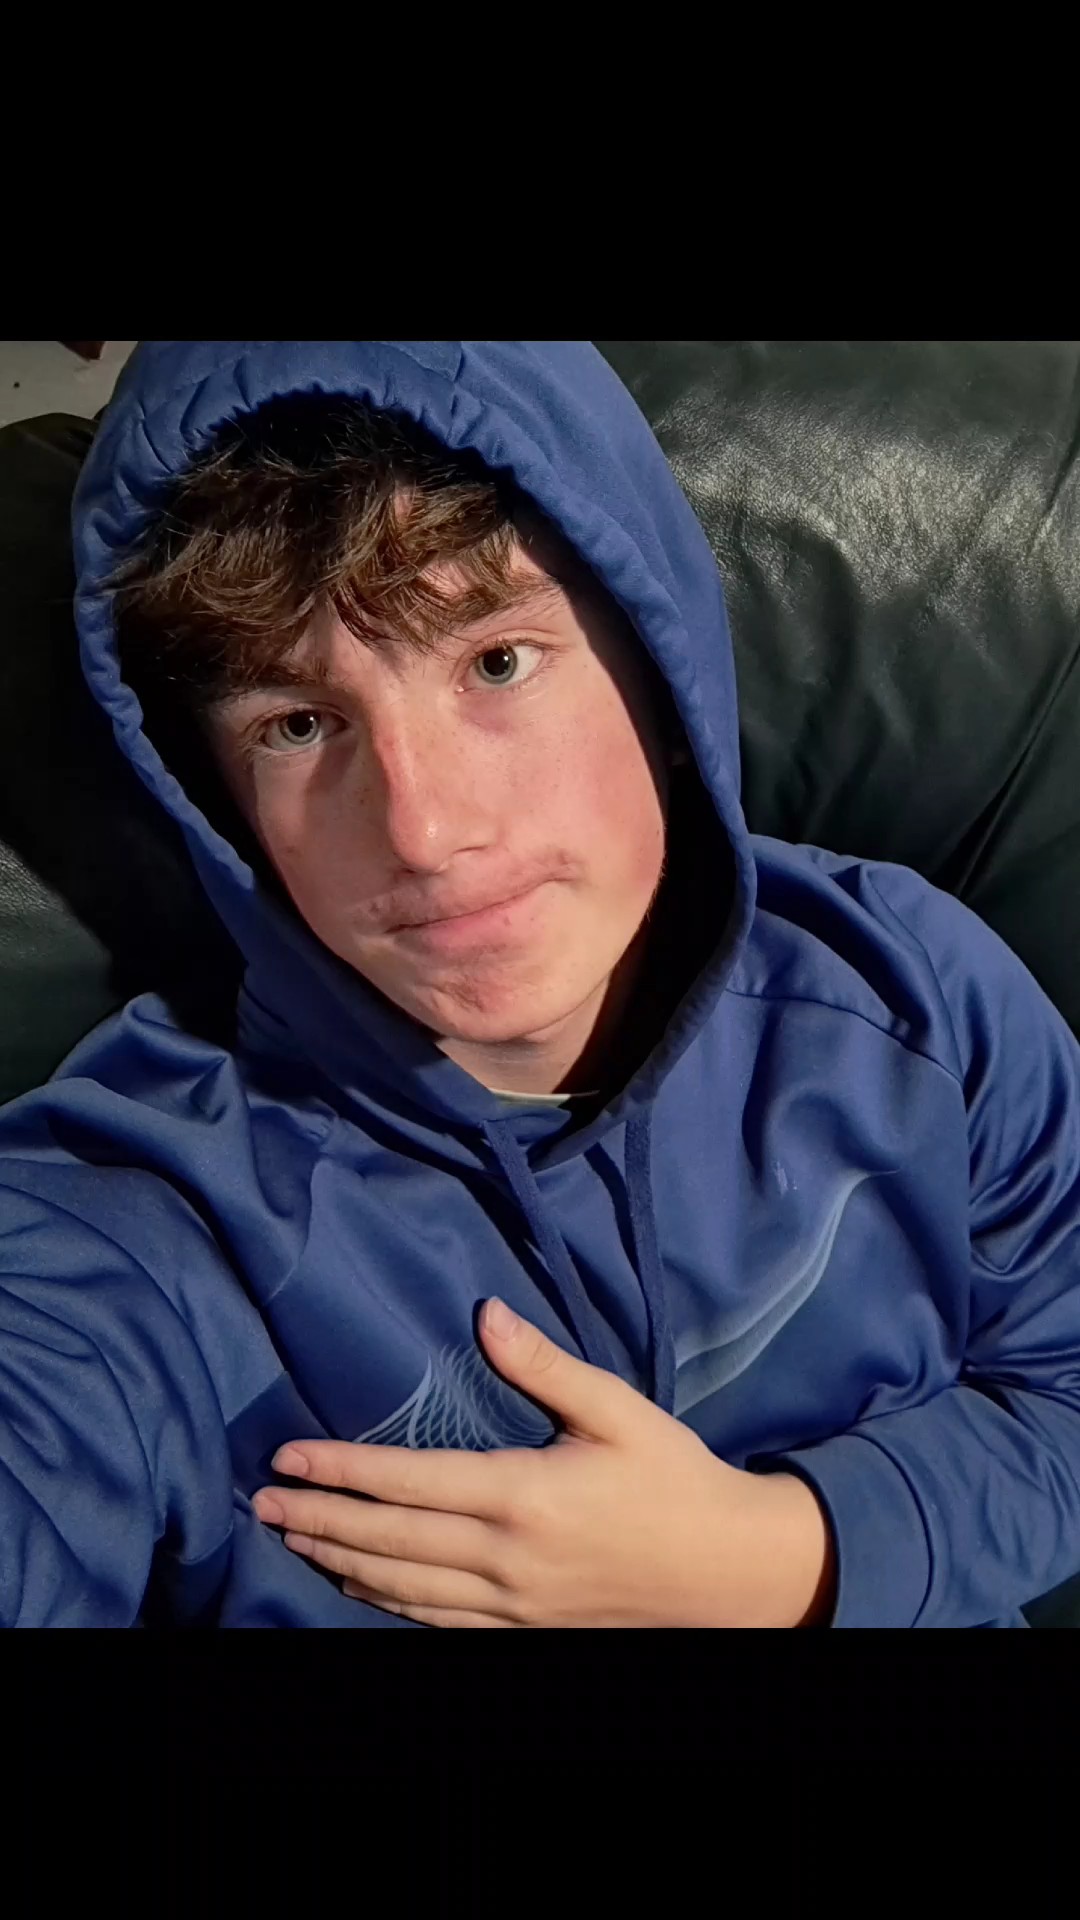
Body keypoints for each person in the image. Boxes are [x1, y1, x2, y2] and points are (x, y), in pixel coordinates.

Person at [1, 339, 1079, 1629]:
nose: (423, 830)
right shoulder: (145, 1221)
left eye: (497, 662)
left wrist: (777, 1560)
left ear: (656, 660)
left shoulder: (912, 995)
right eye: (298, 725)